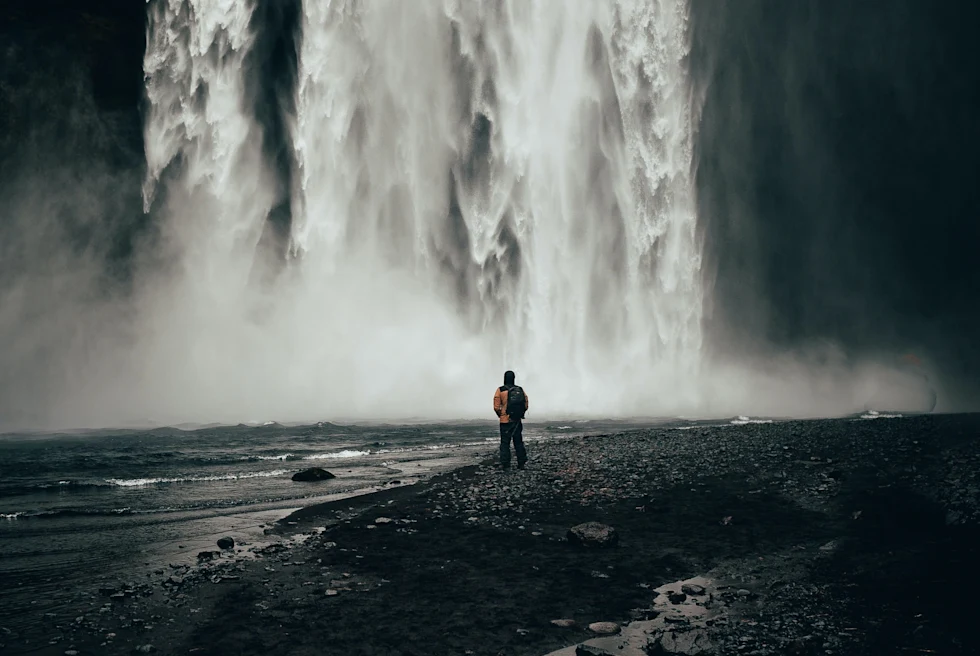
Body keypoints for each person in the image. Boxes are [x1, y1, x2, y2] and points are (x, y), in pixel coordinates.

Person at [493, 370, 529, 470]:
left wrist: (501, 415)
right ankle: (521, 463)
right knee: (518, 441)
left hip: (505, 421)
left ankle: (506, 464)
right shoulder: (519, 389)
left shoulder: (500, 390)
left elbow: (496, 407)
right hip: (517, 420)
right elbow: (525, 404)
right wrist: (520, 413)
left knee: (505, 442)